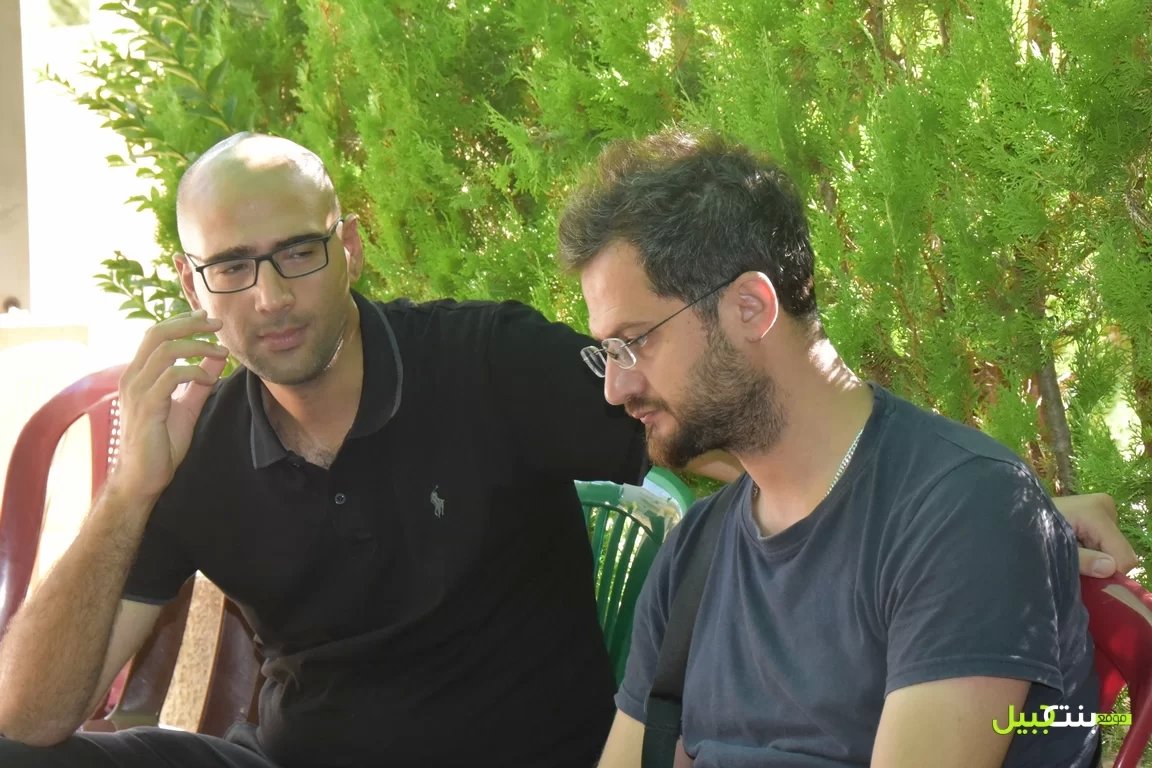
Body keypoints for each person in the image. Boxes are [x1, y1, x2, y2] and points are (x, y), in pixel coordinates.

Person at [0, 133, 1135, 768]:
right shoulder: (701, 567)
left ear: (348, 247)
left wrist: (1008, 499)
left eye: (295, 253)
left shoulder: (485, 365)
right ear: (193, 282)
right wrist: (129, 494)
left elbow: (797, 429)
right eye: (230, 269)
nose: (267, 294)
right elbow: (32, 715)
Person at [556, 130, 1134, 768]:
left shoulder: (964, 515)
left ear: (750, 308)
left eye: (635, 341)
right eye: (607, 352)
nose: (615, 388)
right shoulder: (693, 556)